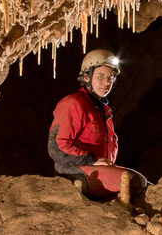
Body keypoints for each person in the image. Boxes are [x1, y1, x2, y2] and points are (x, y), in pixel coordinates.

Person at [48, 48, 148, 200]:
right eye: (101, 76)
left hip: (94, 170)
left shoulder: (100, 110)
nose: (107, 82)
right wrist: (91, 160)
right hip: (74, 172)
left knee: (153, 188)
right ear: (86, 76)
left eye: (111, 77)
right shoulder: (74, 104)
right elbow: (56, 147)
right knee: (134, 182)